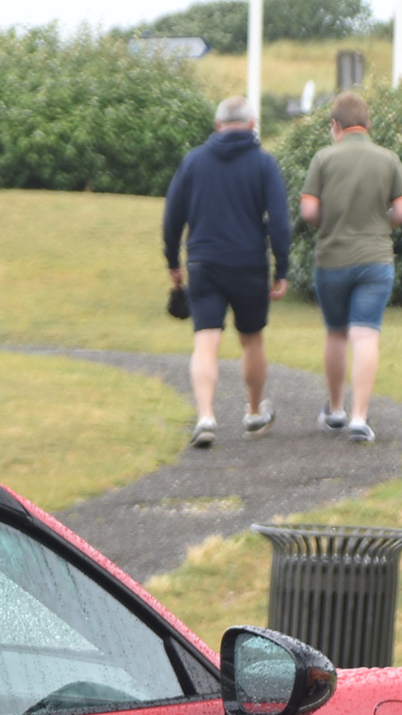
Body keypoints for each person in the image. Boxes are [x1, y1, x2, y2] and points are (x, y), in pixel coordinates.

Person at [161, 96, 291, 450]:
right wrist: (283, 266)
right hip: (249, 263)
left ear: (218, 125)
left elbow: (173, 216)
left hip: (204, 263)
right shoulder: (264, 163)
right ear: (252, 125)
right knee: (252, 339)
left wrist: (173, 261)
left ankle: (205, 415)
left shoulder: (194, 162)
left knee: (206, 339)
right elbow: (279, 219)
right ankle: (252, 411)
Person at [299, 90, 402, 445]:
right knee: (365, 335)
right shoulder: (388, 159)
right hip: (375, 259)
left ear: (336, 125)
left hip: (333, 259)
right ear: (367, 124)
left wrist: (331, 221)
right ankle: (360, 417)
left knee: (336, 333)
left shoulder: (323, 159)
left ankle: (335, 410)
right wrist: (382, 224)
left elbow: (308, 211)